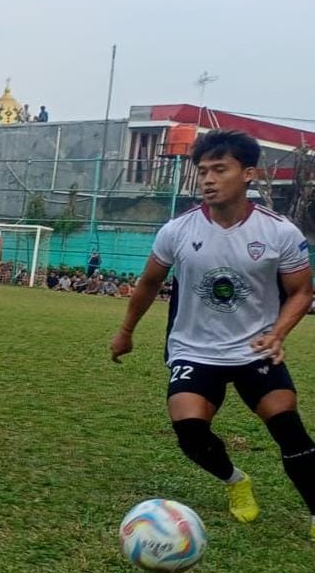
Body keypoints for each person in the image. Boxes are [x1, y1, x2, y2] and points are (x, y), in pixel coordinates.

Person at [110, 130, 315, 540]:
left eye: (219, 169)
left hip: (256, 349)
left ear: (248, 174)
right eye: (202, 170)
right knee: (190, 433)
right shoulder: (177, 230)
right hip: (193, 348)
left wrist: (278, 333)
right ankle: (236, 481)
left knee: (288, 429)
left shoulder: (279, 232)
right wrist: (126, 331)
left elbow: (301, 292)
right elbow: (149, 283)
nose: (207, 179)